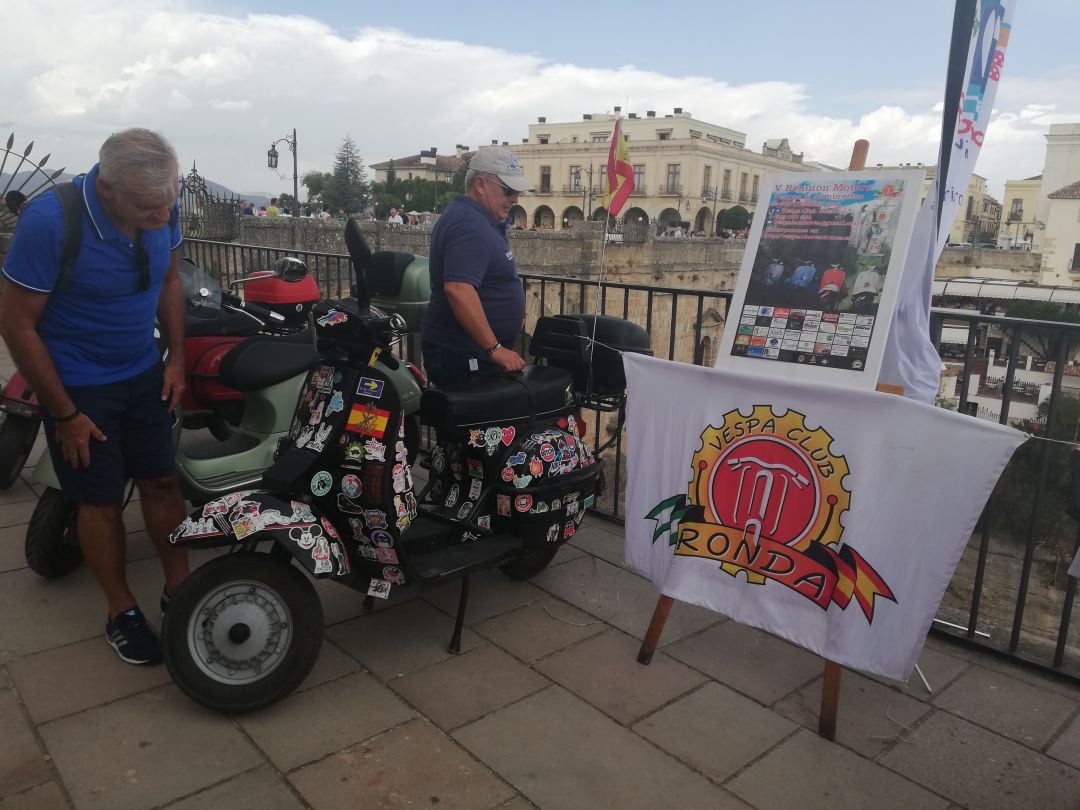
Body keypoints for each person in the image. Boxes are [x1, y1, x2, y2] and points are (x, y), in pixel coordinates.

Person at [0, 128, 189, 666]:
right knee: (99, 501)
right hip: (79, 385)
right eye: (148, 207)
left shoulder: (162, 206)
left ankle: (181, 589)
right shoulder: (51, 223)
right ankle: (120, 610)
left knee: (161, 479)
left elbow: (170, 281)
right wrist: (64, 413)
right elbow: (15, 325)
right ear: (107, 189)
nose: (162, 217)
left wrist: (176, 358)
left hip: (143, 373)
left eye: (169, 201)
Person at [420, 145, 533, 387]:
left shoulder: (475, 218)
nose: (514, 198)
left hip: (468, 352)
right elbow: (458, 288)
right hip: (464, 355)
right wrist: (494, 348)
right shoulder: (469, 224)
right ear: (480, 184)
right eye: (508, 190)